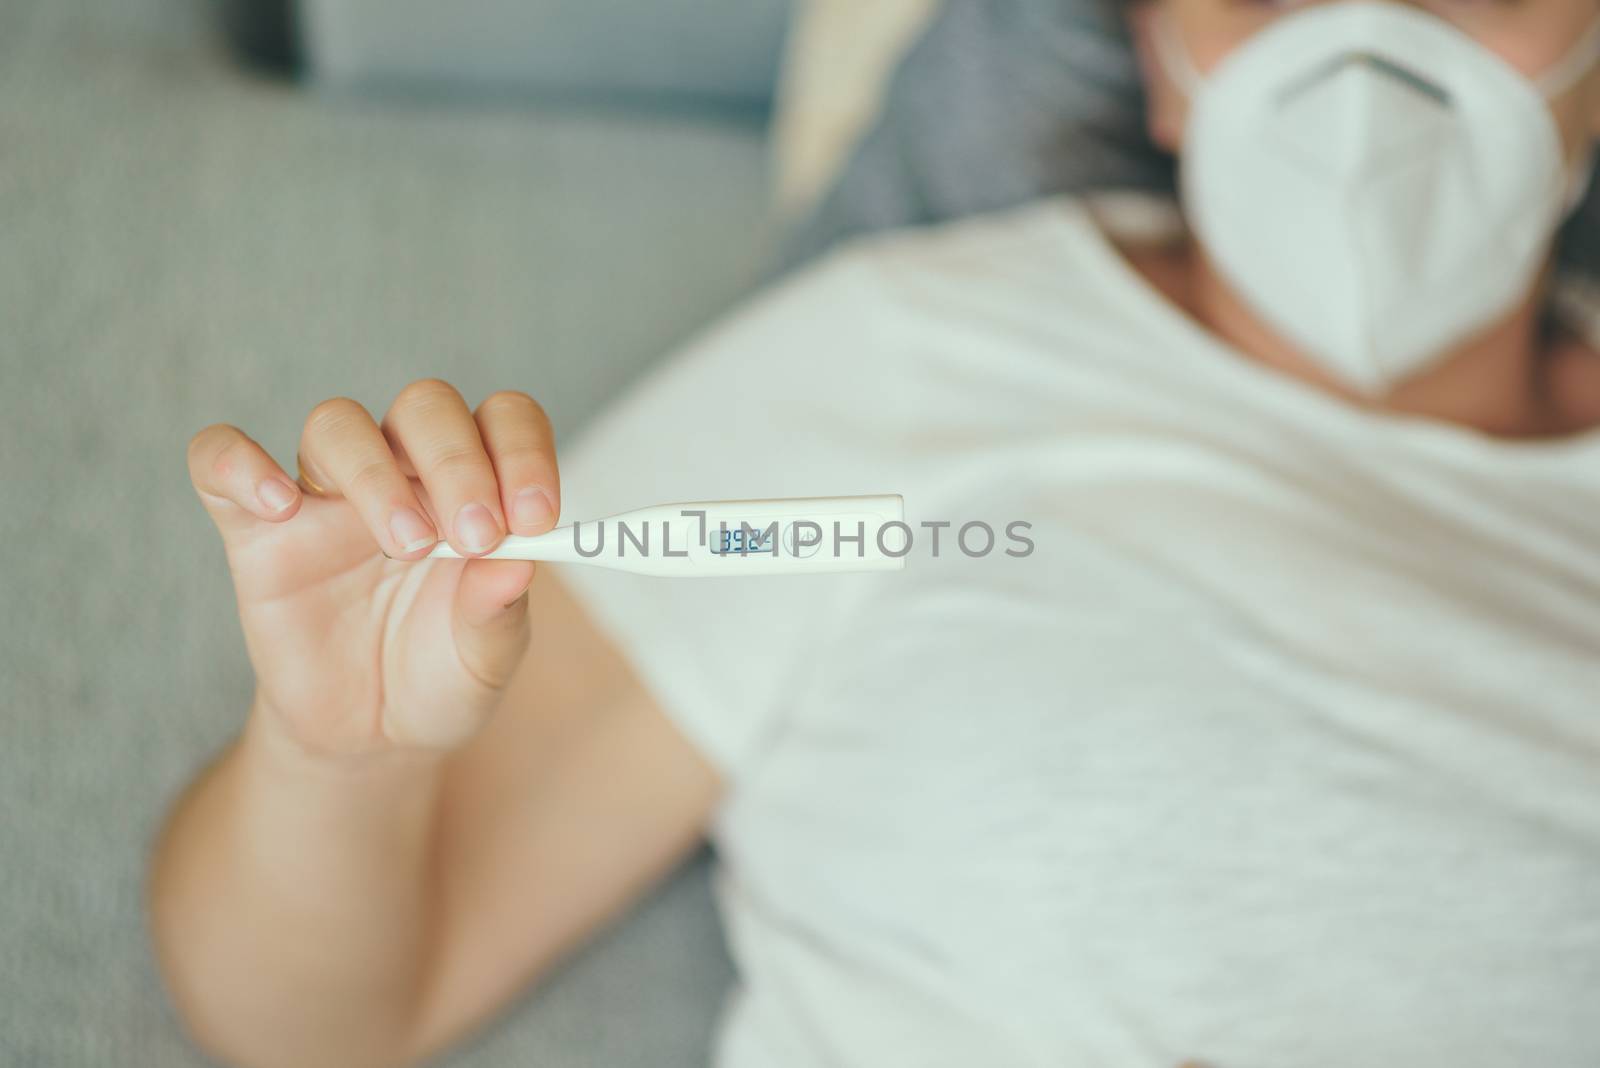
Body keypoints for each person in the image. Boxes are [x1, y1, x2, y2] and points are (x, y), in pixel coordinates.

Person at [150, 1, 1600, 1066]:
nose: (1363, 52)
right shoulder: (904, 363)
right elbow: (314, 1024)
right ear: (1155, 63)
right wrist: (343, 759)